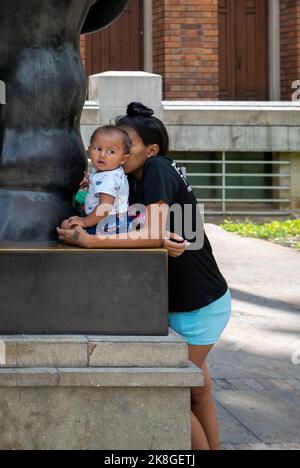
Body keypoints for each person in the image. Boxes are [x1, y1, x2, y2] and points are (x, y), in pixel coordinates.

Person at [57, 102, 231, 450]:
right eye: (108, 146)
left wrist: (92, 241)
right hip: (179, 298)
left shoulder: (155, 169)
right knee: (197, 392)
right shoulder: (130, 179)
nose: (115, 152)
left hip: (197, 303)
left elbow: (152, 234)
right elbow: (153, 234)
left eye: (125, 145)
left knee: (177, 393)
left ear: (149, 150)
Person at [61, 125, 132, 234]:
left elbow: (105, 206)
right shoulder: (112, 172)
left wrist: (85, 222)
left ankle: (89, 238)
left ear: (123, 158)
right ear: (89, 151)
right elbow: (109, 189)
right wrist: (91, 182)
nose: (102, 155)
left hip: (110, 224)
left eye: (111, 152)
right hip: (119, 219)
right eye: (98, 149)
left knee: (67, 225)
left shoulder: (108, 178)